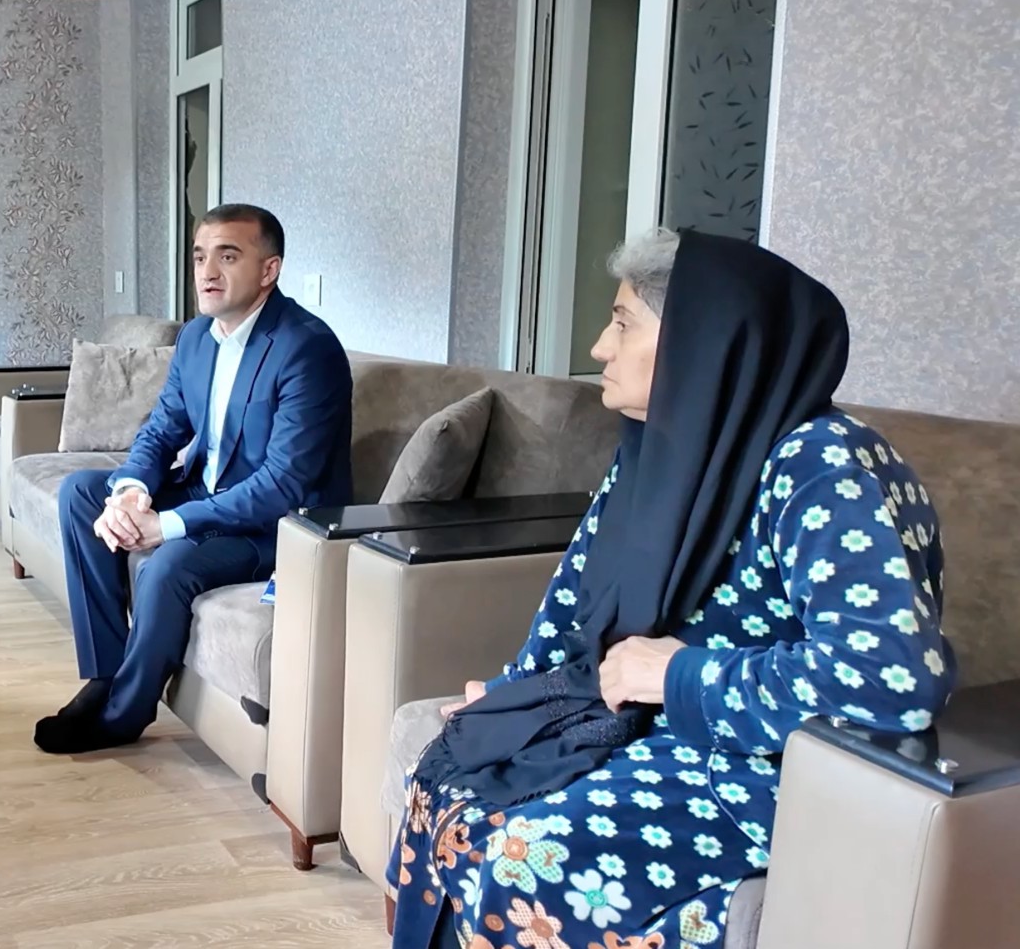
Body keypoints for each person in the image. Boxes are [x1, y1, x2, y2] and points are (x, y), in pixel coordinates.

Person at [384, 229, 957, 949]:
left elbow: (890, 677)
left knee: (525, 855)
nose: (599, 347)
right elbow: (571, 612)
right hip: (651, 729)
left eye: (623, 323)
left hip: (768, 766)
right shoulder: (653, 454)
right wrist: (512, 696)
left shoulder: (824, 466)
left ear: (701, 341)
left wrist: (680, 673)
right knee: (446, 777)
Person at [34, 204, 354, 755]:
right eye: (201, 256)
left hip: (274, 524)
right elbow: (162, 429)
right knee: (82, 493)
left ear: (269, 269)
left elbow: (284, 484)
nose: (207, 271)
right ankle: (106, 676)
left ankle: (123, 716)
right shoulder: (197, 338)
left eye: (228, 256)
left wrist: (167, 525)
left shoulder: (306, 347)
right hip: (207, 490)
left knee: (169, 564)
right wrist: (131, 492)